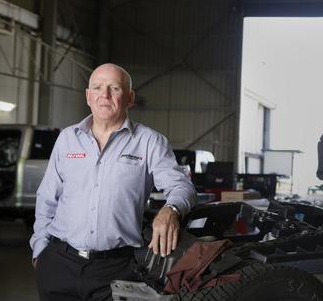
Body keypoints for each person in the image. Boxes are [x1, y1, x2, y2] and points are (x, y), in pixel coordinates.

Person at [29, 63, 197, 301]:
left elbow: (183, 187)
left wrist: (171, 210)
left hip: (117, 269)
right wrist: (40, 251)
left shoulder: (149, 142)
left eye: (114, 88)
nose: (104, 95)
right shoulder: (67, 139)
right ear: (88, 96)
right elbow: (47, 198)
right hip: (59, 263)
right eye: (97, 87)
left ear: (130, 98)